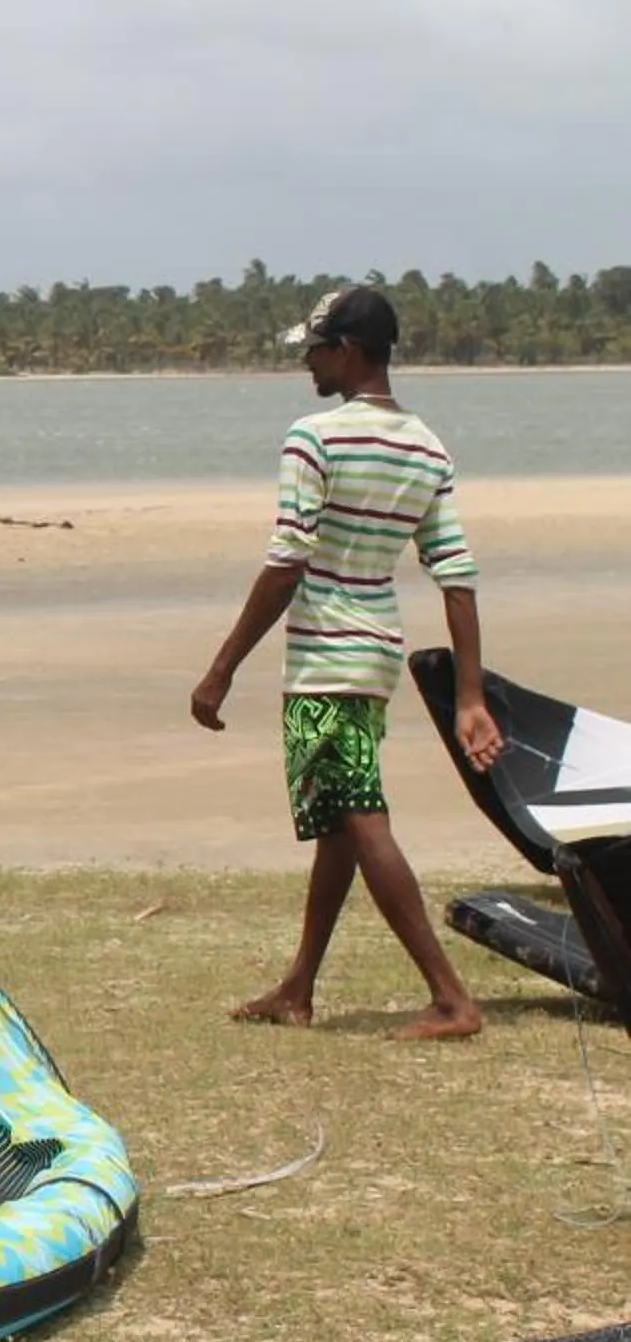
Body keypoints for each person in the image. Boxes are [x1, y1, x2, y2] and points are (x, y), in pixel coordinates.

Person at [189, 285, 501, 1041]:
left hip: (327, 655)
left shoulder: (315, 438)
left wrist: (222, 666)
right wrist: (469, 696)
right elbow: (454, 574)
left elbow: (287, 561)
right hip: (376, 655)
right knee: (339, 818)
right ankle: (298, 987)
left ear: (350, 351)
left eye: (317, 347)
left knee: (361, 816)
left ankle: (452, 999)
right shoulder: (428, 447)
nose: (308, 360)